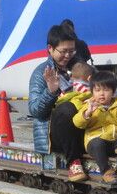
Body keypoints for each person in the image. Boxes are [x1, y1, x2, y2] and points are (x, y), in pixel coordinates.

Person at [28, 24, 87, 181]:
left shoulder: (80, 68)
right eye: (63, 51)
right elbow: (35, 111)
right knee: (67, 108)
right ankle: (73, 163)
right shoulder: (41, 72)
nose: (68, 55)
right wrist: (51, 91)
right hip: (55, 134)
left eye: (72, 50)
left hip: (82, 126)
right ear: (50, 48)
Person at [72, 71, 117, 183]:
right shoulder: (89, 105)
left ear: (113, 91)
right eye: (97, 90)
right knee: (97, 144)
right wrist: (87, 113)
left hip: (114, 142)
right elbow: (77, 122)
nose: (102, 94)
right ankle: (106, 171)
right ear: (92, 92)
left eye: (106, 90)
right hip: (95, 142)